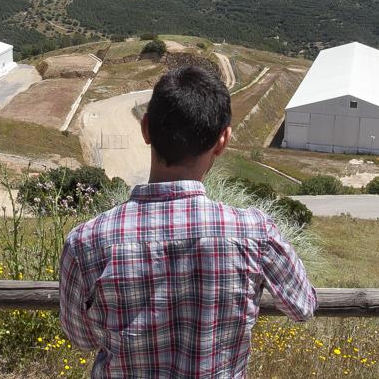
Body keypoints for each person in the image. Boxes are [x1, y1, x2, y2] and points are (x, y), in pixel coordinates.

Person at [59, 66, 316, 377]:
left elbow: (81, 337)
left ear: (145, 129)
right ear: (222, 140)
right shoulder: (253, 232)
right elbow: (302, 305)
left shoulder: (86, 241)